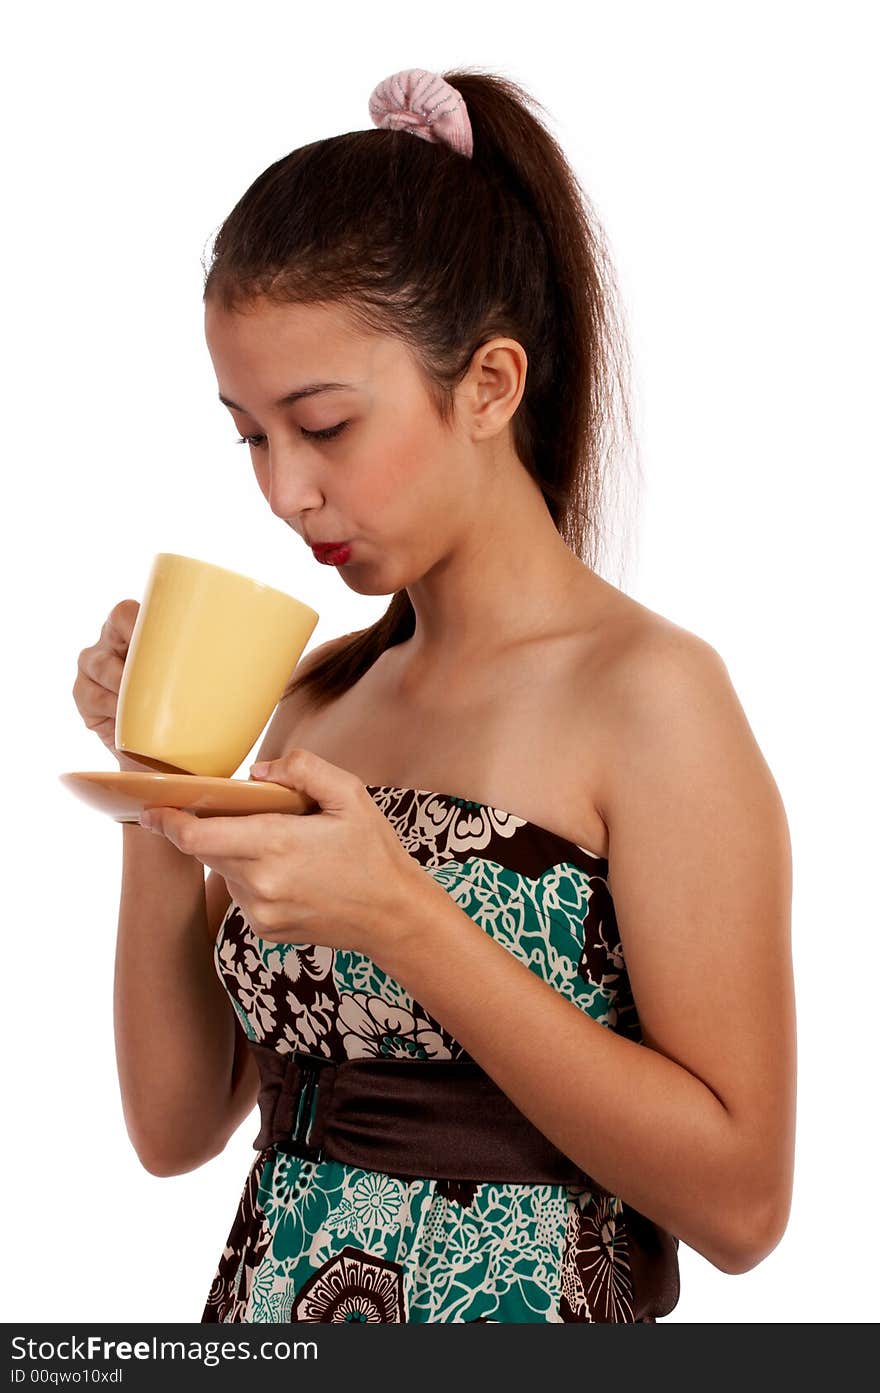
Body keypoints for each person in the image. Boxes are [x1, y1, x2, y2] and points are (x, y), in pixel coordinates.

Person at [75, 67, 796, 1323]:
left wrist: (408, 920)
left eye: (324, 425)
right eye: (250, 434)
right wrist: (157, 795)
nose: (285, 490)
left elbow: (741, 1207)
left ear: (490, 386)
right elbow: (176, 1128)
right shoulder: (313, 702)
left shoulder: (651, 699)